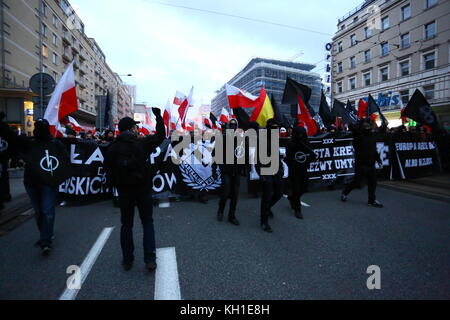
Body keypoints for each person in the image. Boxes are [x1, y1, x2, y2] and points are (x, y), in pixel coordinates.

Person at [105, 108, 165, 272]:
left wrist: (116, 187)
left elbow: (108, 170)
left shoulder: (112, 148)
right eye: (136, 127)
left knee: (126, 224)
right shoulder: (141, 143)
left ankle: (127, 260)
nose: (138, 129)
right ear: (132, 129)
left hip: (124, 191)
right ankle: (150, 259)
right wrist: (159, 117)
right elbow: (161, 136)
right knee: (147, 222)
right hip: (143, 188)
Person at [17, 119, 70, 254]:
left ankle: (45, 240)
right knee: (39, 212)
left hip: (48, 183)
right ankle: (45, 234)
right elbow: (18, 153)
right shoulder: (29, 143)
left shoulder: (55, 143)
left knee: (47, 211)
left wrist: (58, 177)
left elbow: (64, 159)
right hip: (31, 182)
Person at [341, 120, 385, 208]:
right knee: (357, 182)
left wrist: (379, 160)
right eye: (366, 126)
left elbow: (374, 150)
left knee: (373, 182)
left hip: (371, 164)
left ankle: (371, 200)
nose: (368, 127)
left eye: (368, 126)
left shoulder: (372, 136)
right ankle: (345, 192)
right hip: (361, 164)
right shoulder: (358, 136)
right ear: (362, 127)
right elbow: (353, 129)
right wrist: (351, 122)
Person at [257, 119, 284, 233]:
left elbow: (276, 155)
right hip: (265, 170)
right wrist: (261, 174)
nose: (276, 129)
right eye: (273, 127)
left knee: (279, 193)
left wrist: (281, 169)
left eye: (277, 127)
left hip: (276, 170)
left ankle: (267, 209)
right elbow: (257, 159)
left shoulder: (275, 138)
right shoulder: (262, 140)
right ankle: (264, 221)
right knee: (267, 196)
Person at [285, 126, 318, 219]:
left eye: (302, 134)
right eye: (299, 134)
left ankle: (292, 198)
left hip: (303, 169)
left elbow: (310, 155)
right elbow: (289, 157)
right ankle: (297, 210)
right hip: (294, 170)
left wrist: (311, 159)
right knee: (296, 188)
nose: (300, 136)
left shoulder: (306, 143)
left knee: (304, 188)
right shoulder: (290, 144)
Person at [216, 118, 244, 226]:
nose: (233, 126)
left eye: (234, 125)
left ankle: (231, 215)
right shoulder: (222, 139)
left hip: (236, 171)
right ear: (228, 126)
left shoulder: (240, 139)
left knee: (235, 195)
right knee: (225, 193)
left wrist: (242, 167)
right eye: (231, 125)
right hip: (226, 171)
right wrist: (219, 168)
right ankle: (220, 211)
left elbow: (244, 154)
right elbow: (216, 154)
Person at [0, 112, 13, 210]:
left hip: (3, 153)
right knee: (4, 175)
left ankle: (4, 196)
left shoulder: (5, 127)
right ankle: (5, 195)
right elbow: (12, 139)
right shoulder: (5, 127)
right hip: (3, 154)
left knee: (4, 174)